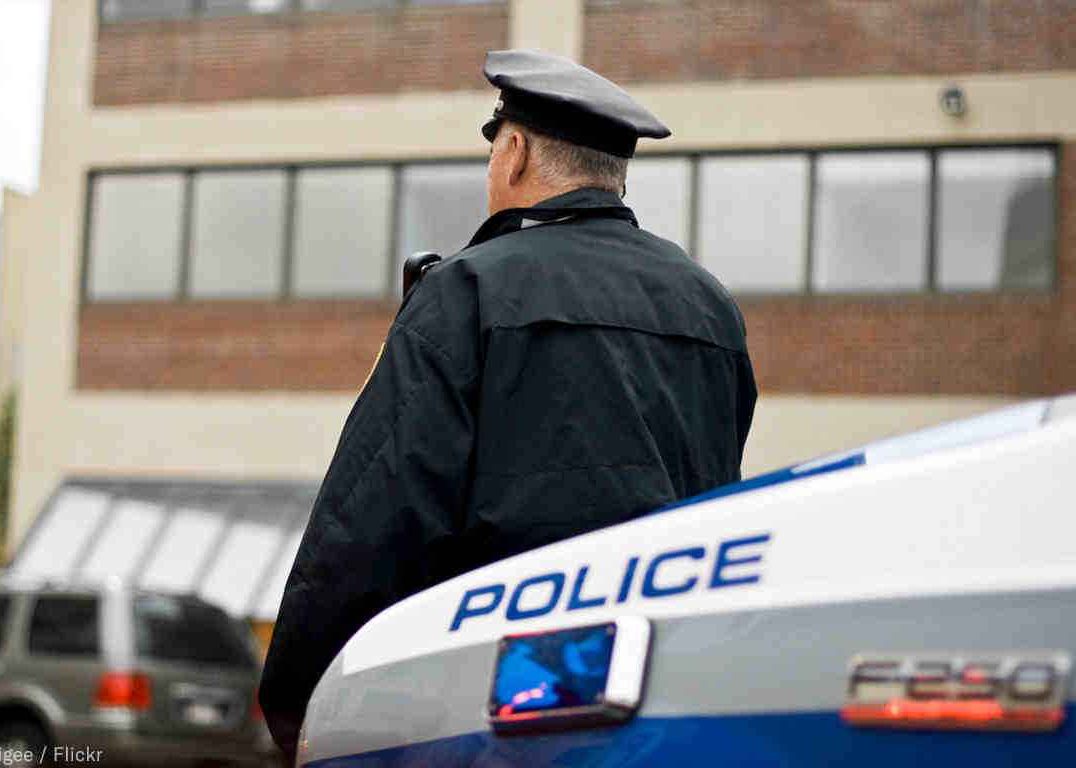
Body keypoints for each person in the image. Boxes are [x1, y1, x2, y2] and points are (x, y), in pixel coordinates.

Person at [259, 49, 757, 761]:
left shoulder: (468, 294)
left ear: (515, 153)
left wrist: (300, 706)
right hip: (665, 708)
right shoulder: (708, 306)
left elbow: (371, 523)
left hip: (499, 712)